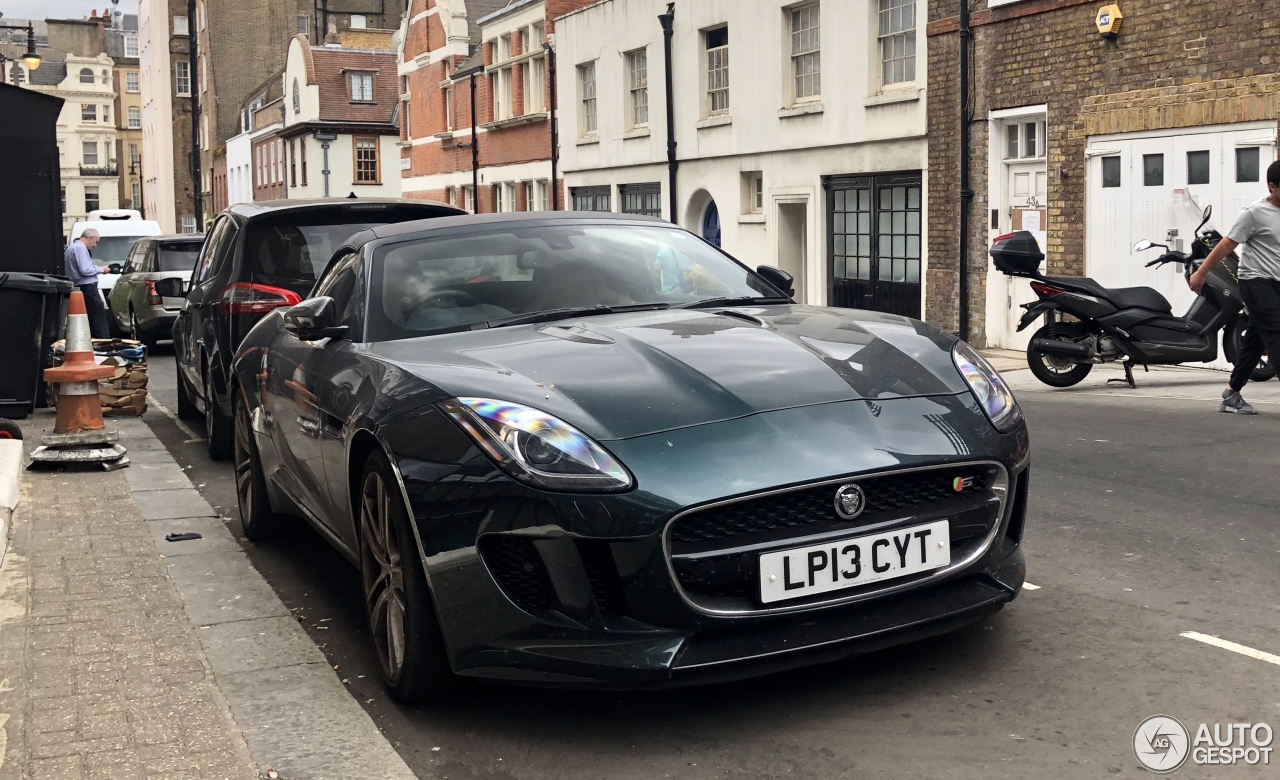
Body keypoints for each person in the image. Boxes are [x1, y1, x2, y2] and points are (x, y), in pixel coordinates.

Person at [1189, 159, 1280, 414]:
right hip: (1256, 281)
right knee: (1276, 335)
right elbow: (1228, 244)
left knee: (1255, 338)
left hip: (1277, 282)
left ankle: (1231, 393)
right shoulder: (1254, 213)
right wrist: (1201, 273)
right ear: (1272, 187)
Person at [64, 228, 112, 338]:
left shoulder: (71, 248)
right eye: (95, 241)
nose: (95, 245)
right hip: (88, 287)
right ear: (90, 238)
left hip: (78, 286)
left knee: (89, 318)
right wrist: (101, 270)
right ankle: (103, 343)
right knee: (98, 318)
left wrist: (98, 268)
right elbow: (85, 270)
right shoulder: (81, 248)